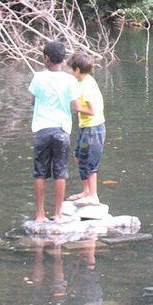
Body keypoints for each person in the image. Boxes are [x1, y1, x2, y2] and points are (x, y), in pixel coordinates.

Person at [28, 40, 83, 222]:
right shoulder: (70, 80)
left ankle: (40, 215)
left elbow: (33, 100)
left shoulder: (38, 77)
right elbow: (75, 106)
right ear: (62, 59)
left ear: (46, 59)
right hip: (62, 130)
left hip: (43, 130)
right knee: (61, 172)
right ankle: (58, 214)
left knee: (40, 173)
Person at [67, 51, 106, 207]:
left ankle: (93, 196)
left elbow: (91, 111)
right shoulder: (83, 81)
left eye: (71, 69)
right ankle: (86, 191)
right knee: (78, 156)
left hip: (93, 128)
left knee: (89, 161)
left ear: (77, 70)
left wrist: (76, 107)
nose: (70, 72)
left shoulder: (86, 86)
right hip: (86, 127)